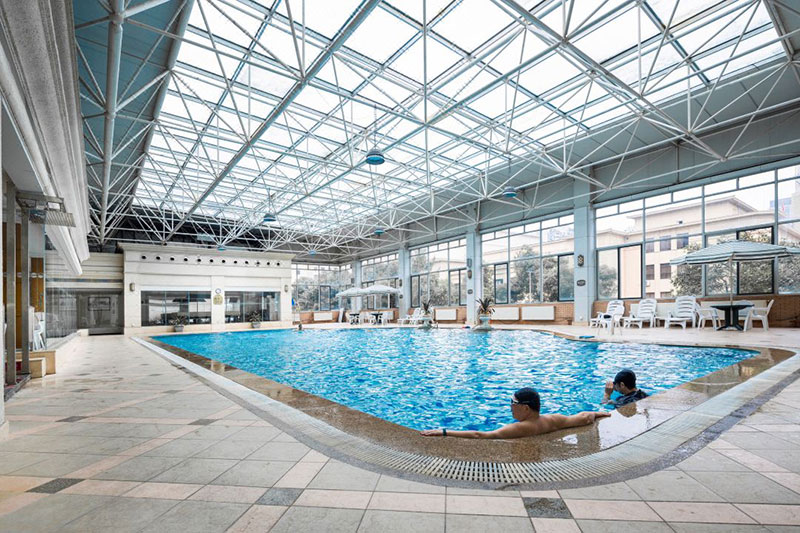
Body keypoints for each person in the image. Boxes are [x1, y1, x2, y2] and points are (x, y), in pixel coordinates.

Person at [419, 387, 610, 439]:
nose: (510, 406)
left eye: (513, 403)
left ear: (525, 408)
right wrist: (597, 413)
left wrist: (444, 432)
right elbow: (583, 417)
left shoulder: (519, 428)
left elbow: (481, 435)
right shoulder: (552, 420)